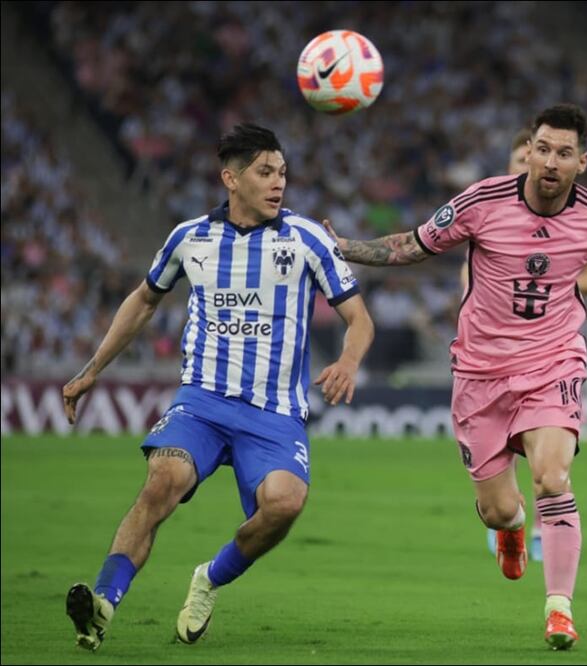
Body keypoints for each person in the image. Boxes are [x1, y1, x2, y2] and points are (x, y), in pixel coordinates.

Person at [329, 104, 587, 649]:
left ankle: (559, 609)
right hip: (480, 373)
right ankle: (510, 530)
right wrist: (345, 247)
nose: (549, 161)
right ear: (528, 150)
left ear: (581, 161)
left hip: (553, 361)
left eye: (563, 153)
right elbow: (413, 244)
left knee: (553, 478)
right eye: (542, 148)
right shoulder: (482, 201)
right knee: (498, 508)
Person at [61, 123, 375, 650]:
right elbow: (143, 300)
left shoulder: (307, 238)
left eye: (282, 173)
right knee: (162, 480)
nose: (278, 183)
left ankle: (209, 578)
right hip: (202, 402)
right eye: (265, 172)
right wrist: (93, 368)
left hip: (273, 413)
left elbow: (359, 317)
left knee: (285, 504)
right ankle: (103, 604)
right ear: (231, 178)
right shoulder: (190, 239)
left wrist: (348, 359)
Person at [472, 128, 587, 563]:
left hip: (549, 356)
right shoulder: (492, 220)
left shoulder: (574, 221)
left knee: (550, 465)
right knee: (497, 502)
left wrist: (551, 286)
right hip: (492, 364)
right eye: (521, 161)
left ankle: (549, 528)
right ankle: (510, 519)